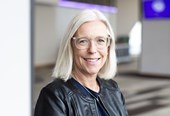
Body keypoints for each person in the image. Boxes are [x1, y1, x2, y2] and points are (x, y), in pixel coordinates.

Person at [34, 9, 128, 116]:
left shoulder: (113, 88)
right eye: (83, 41)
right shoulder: (54, 96)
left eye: (100, 40)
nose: (92, 50)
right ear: (71, 46)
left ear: (108, 47)